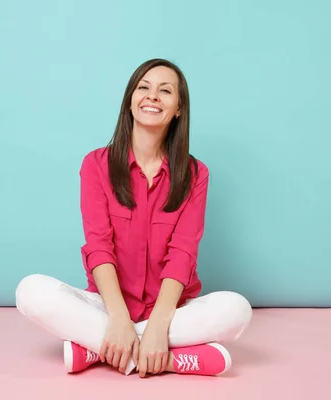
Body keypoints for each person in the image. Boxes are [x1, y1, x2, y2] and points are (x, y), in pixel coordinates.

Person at [15, 58, 252, 378]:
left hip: (171, 311)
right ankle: (168, 358)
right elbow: (99, 247)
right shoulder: (96, 164)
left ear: (178, 109)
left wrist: (158, 325)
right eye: (144, 87)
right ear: (130, 101)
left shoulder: (196, 174)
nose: (152, 96)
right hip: (107, 307)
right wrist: (118, 318)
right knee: (31, 292)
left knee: (237, 310)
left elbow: (183, 254)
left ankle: (102, 349)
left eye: (165, 91)